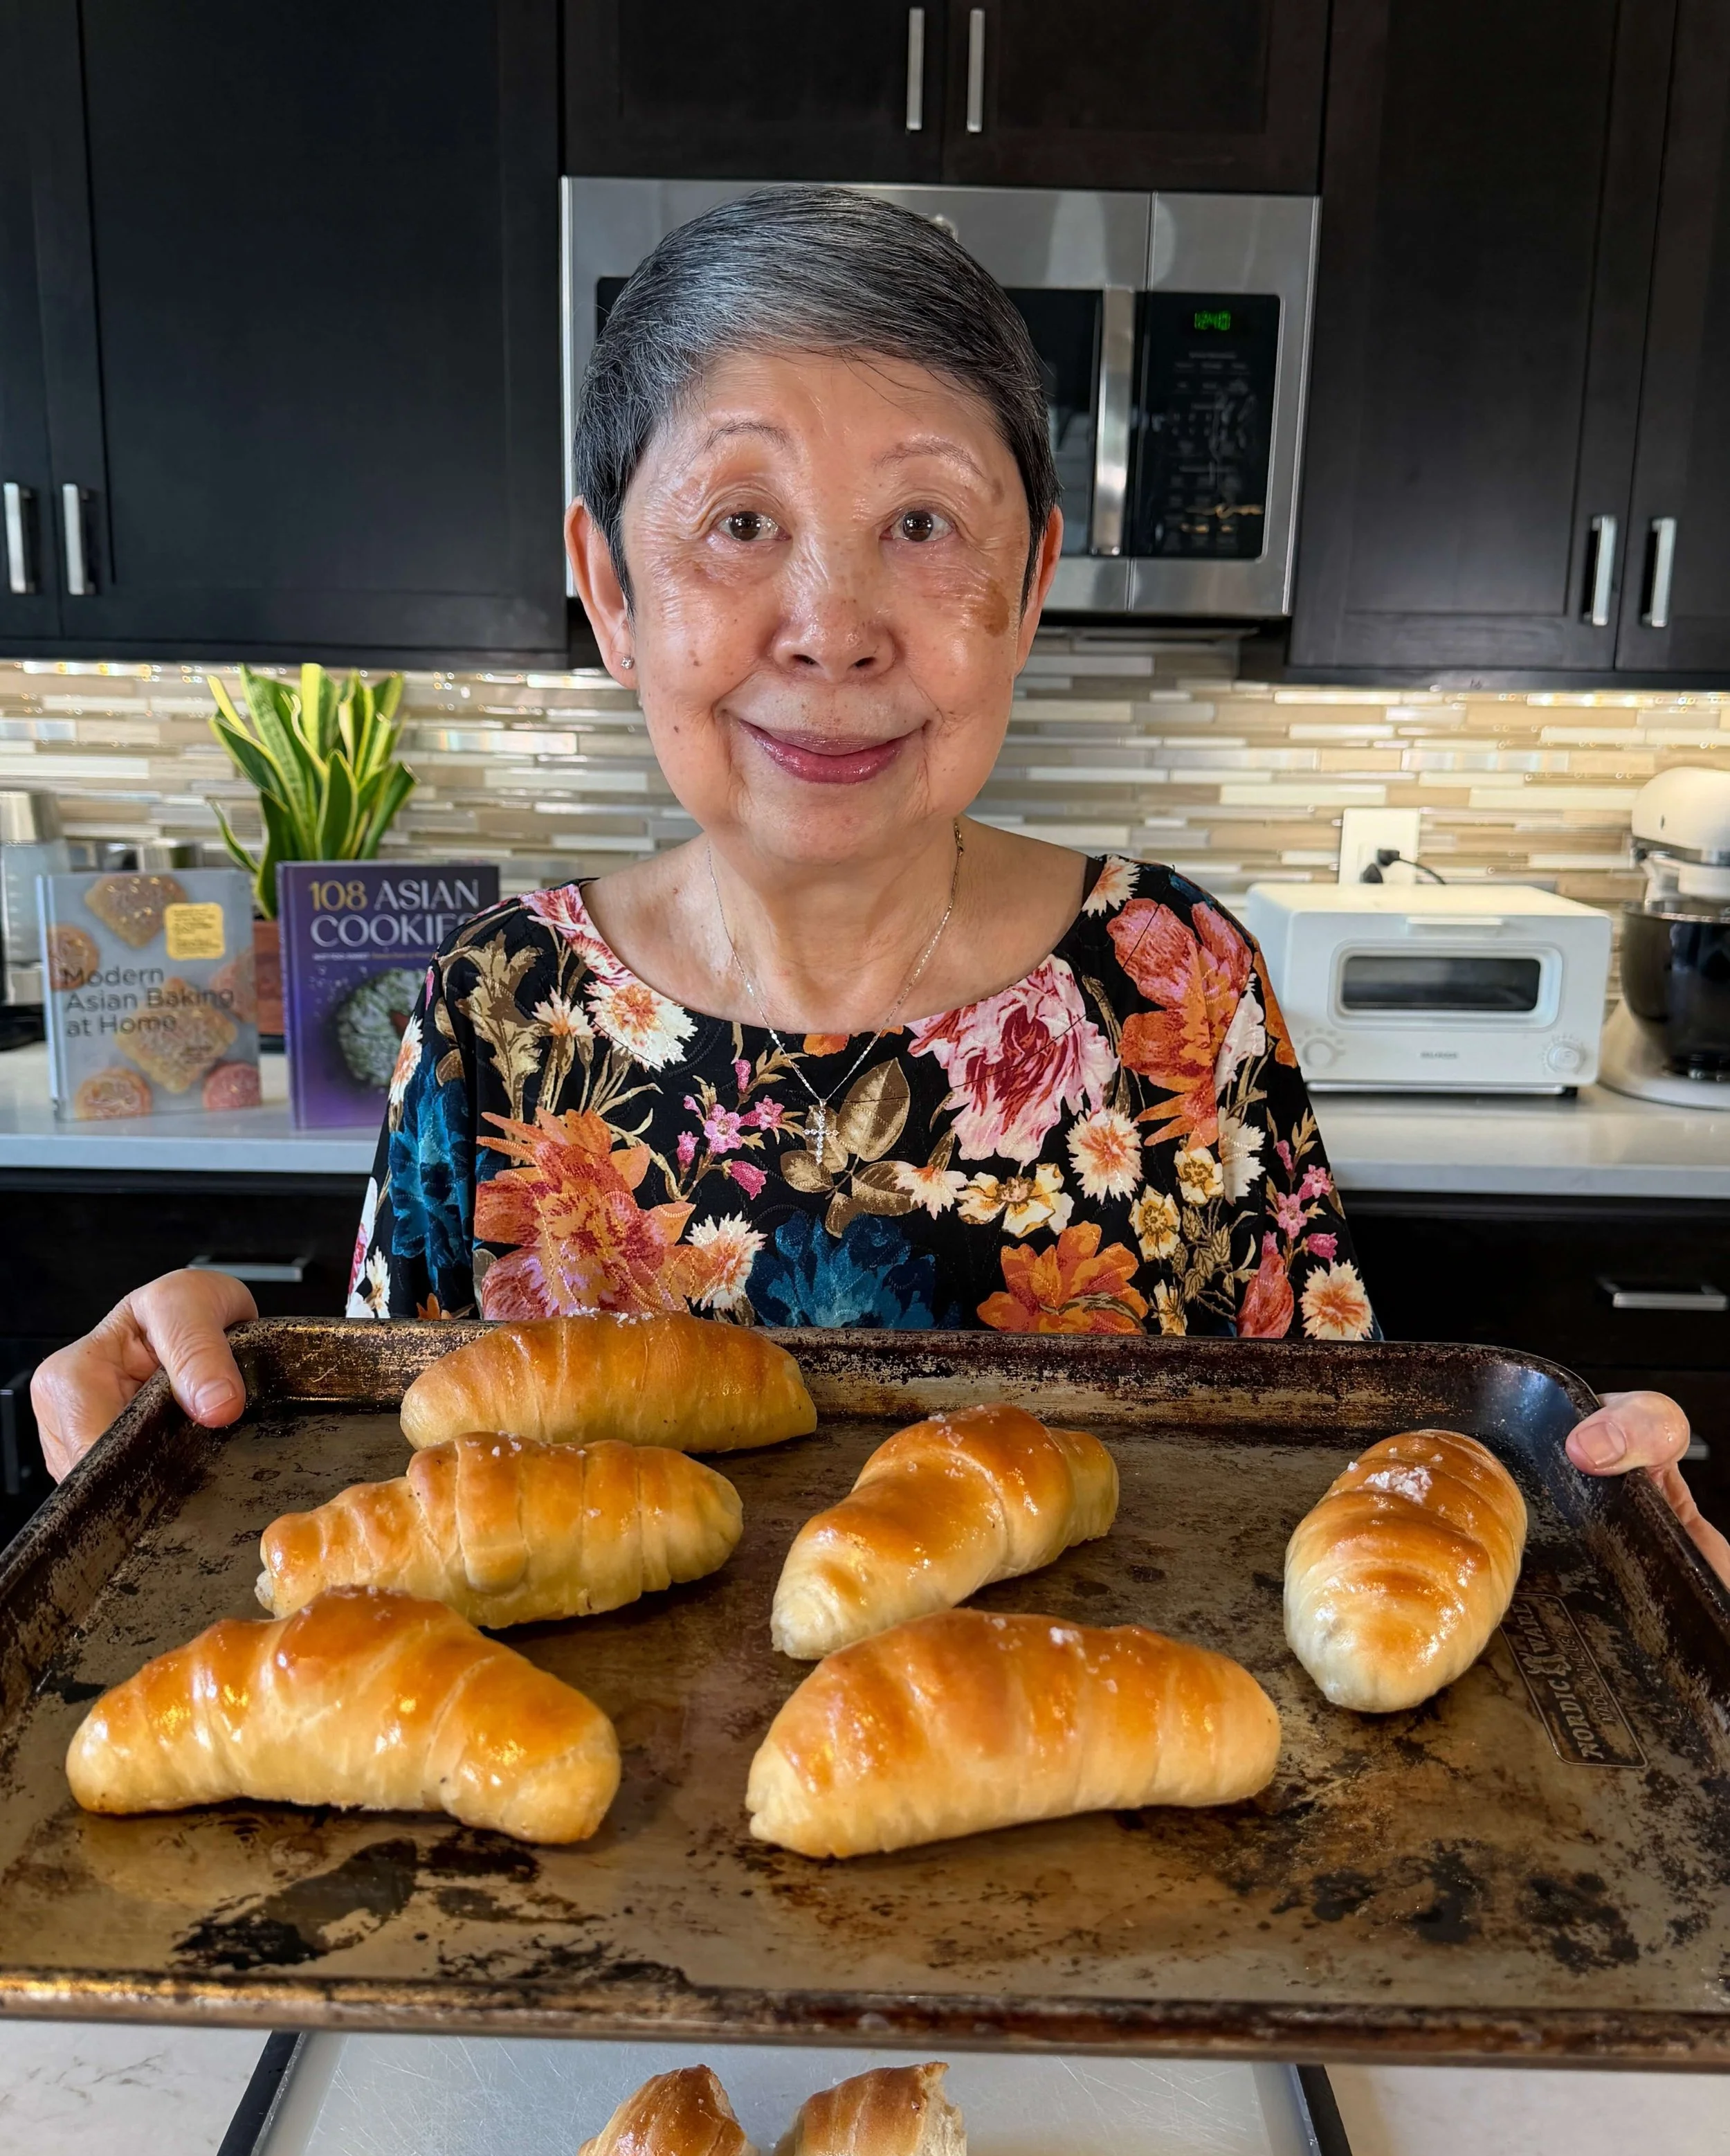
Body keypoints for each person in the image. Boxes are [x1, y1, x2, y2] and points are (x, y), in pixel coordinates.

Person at [29, 188, 1728, 1588]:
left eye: (922, 523)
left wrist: (1582, 1548)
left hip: (1105, 1924)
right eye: (739, 522)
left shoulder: (1174, 977)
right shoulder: (493, 1010)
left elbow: (1339, 1493)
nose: (831, 625)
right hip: (574, 1954)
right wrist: (195, 1425)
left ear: (1028, 583)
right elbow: (382, 1530)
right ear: (608, 590)